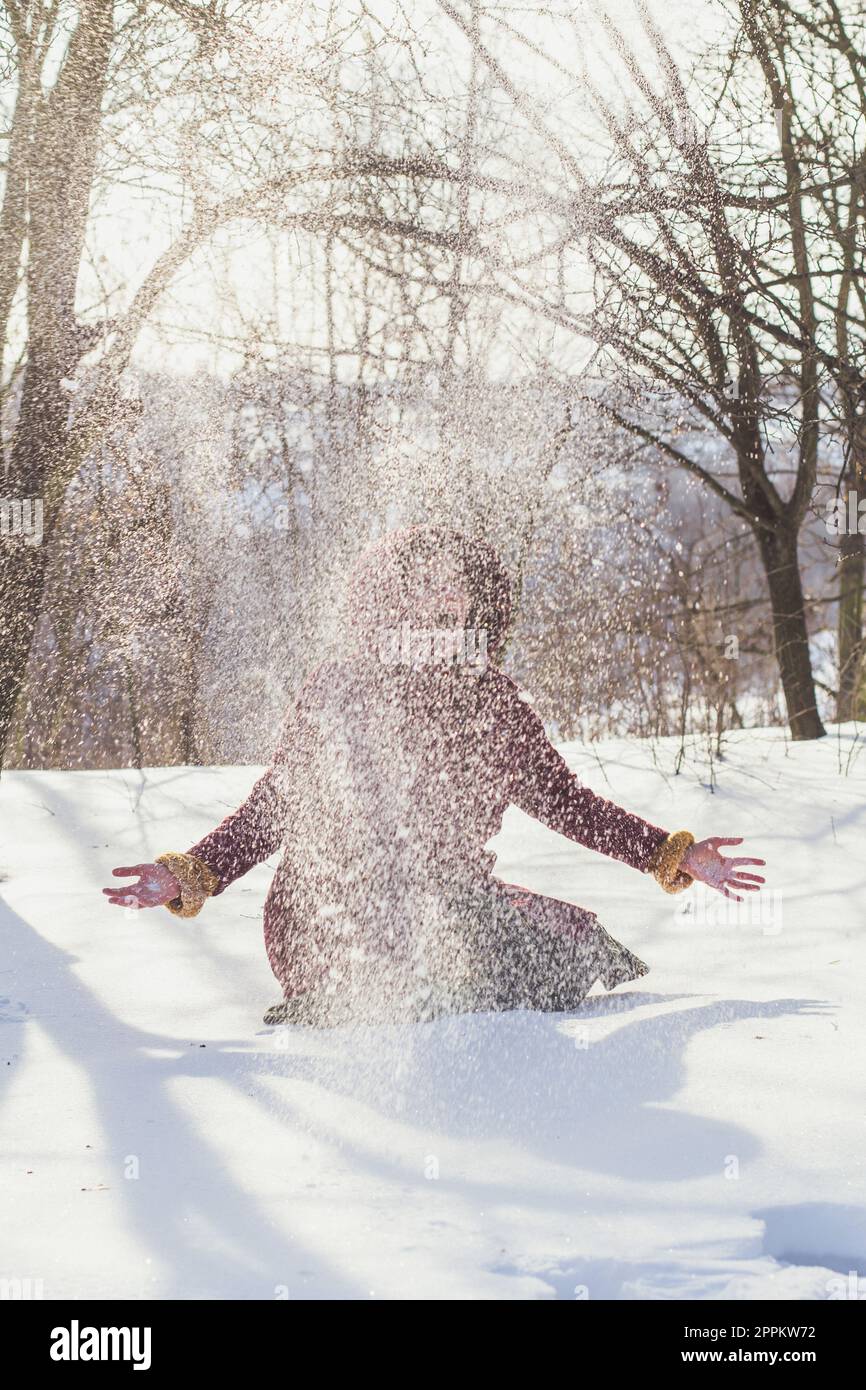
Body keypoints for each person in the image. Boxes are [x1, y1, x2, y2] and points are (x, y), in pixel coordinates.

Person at [104, 526, 765, 1026]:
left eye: (460, 583)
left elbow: (568, 803)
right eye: (428, 582)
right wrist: (190, 872)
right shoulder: (344, 687)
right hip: (332, 911)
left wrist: (670, 855)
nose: (447, 595)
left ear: (481, 602)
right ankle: (347, 1004)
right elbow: (273, 806)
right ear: (394, 597)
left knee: (580, 945)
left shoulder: (493, 703)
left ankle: (410, 995)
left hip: (449, 901)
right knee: (441, 976)